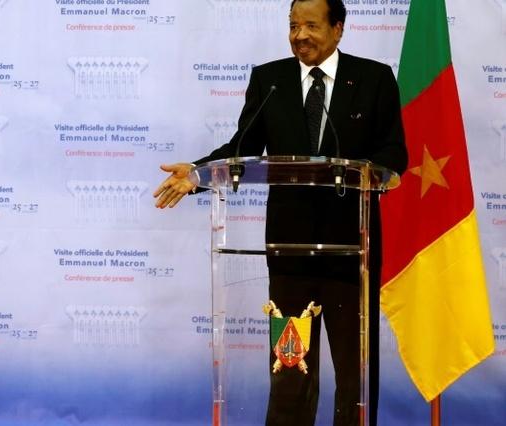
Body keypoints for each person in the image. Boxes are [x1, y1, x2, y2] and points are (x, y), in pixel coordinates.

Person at [153, 0, 407, 425]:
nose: (299, 36)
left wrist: (373, 172)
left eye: (311, 25)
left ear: (338, 28)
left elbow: (393, 153)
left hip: (351, 251)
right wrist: (197, 173)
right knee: (291, 365)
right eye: (293, 26)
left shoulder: (373, 78)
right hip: (290, 251)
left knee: (355, 370)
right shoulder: (269, 80)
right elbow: (242, 148)